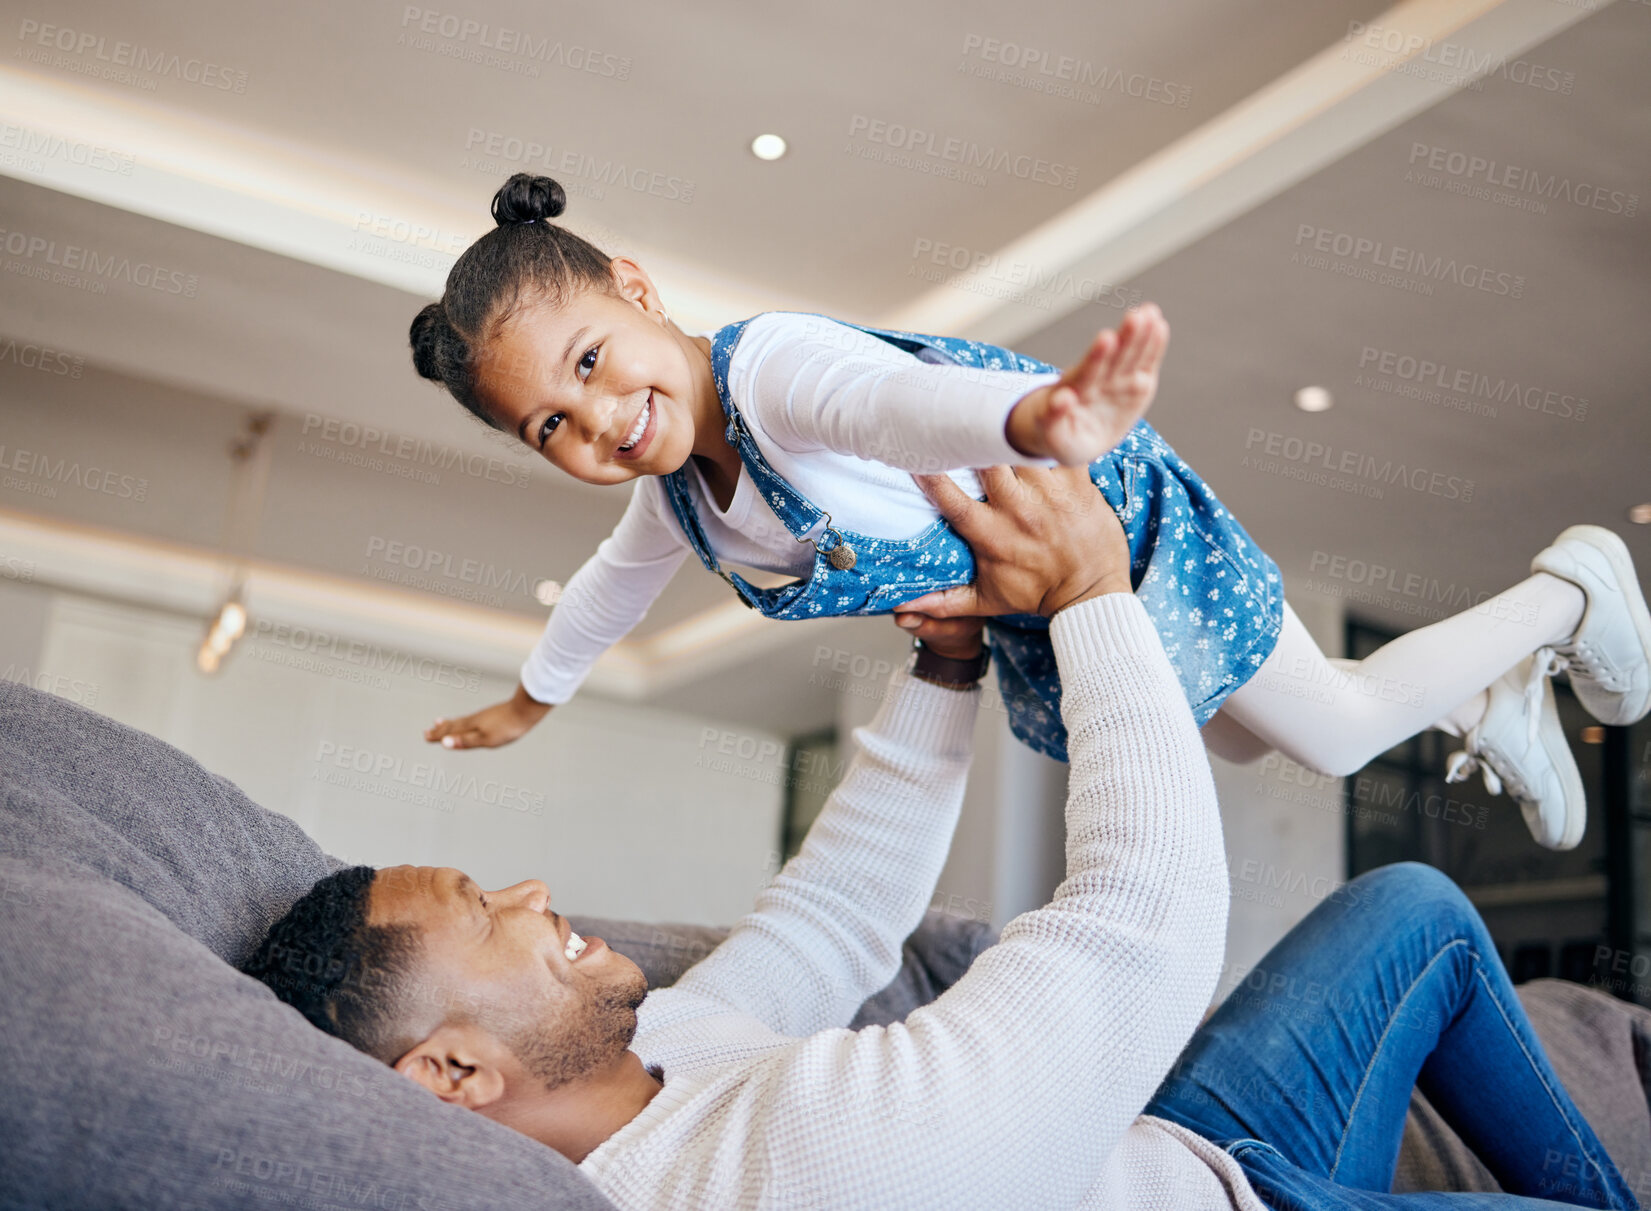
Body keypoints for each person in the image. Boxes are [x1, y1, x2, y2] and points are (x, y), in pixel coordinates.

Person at [244, 463, 1636, 1210]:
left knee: (1411, 910)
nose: (534, 887)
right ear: (452, 1067)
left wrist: (948, 672)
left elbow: (830, 918)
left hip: (1189, 1141)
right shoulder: (798, 1177)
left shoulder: (654, 1054)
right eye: (489, 908)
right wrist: (1093, 598)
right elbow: (1137, 927)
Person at [407, 174, 1650, 852]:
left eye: (587, 363)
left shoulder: (772, 372)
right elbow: (609, 589)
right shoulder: (682, 499)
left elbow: (892, 403)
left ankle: (1573, 588)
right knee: (1235, 735)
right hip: (1037, 597)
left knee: (1329, 730)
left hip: (1093, 511)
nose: (597, 419)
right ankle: (1489, 696)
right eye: (550, 429)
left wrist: (1030, 421)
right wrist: (531, 698)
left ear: (632, 286)